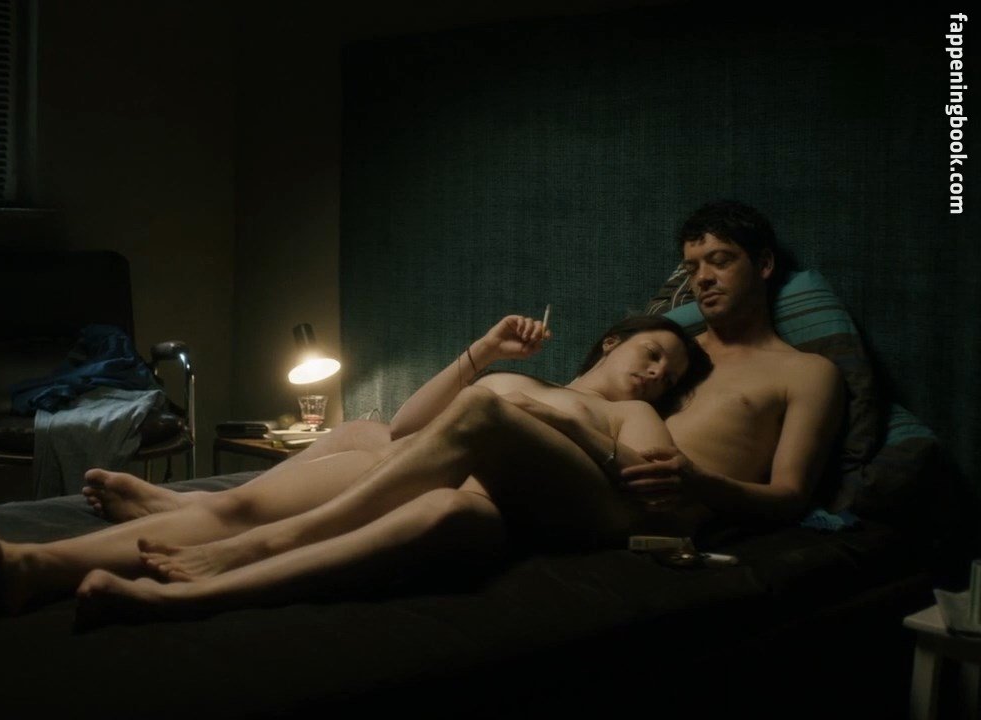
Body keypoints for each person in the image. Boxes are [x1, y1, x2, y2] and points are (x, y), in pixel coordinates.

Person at [66, 199, 846, 622]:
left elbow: (788, 496)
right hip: (589, 477)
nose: (702, 280)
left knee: (484, 418)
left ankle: (252, 545)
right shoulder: (680, 351)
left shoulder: (804, 372)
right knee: (374, 430)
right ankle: (197, 515)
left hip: (653, 511)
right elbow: (427, 424)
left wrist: (700, 483)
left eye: (721, 261)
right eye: (693, 266)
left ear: (764, 266)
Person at [0, 313, 708, 616]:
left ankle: (216, 561)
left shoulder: (628, 415)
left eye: (670, 375)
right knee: (356, 437)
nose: (655, 374)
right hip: (423, 460)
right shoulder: (524, 382)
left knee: (394, 479)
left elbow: (651, 488)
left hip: (492, 501)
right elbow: (412, 427)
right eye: (651, 353)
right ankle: (35, 567)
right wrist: (483, 353)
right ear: (612, 340)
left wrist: (575, 429)